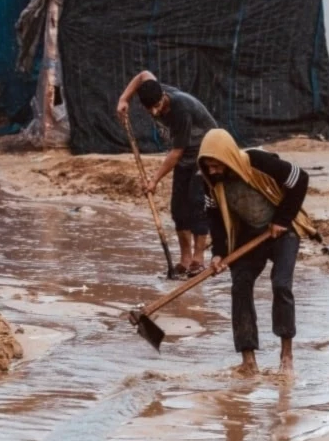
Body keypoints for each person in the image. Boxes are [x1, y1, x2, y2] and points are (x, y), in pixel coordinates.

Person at [197, 128, 318, 377]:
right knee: (240, 285)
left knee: (281, 284)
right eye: (207, 166)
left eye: (216, 165)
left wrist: (282, 219)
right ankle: (248, 360)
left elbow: (301, 179)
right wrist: (219, 253)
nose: (212, 171)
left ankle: (286, 355)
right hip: (249, 235)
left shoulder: (258, 162)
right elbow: (215, 218)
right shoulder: (211, 183)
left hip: (283, 230)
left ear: (228, 158)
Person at [117, 72, 217, 277]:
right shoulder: (153, 87)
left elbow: (176, 152)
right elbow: (143, 75)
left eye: (158, 106)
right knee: (178, 208)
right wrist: (123, 99)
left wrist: (153, 180)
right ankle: (185, 259)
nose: (155, 112)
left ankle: (198, 260)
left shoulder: (181, 109)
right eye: (150, 109)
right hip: (185, 153)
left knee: (197, 203)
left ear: (163, 96)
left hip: (205, 152)